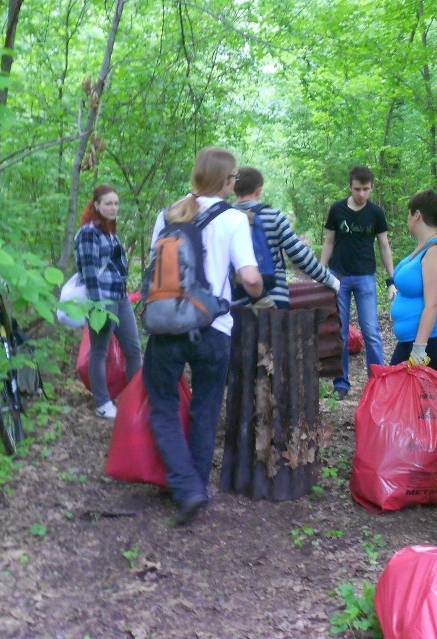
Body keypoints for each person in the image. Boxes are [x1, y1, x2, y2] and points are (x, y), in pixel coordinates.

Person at [143, 147, 263, 526]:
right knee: (206, 408)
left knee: (162, 404)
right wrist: (257, 291)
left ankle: (185, 486)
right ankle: (195, 486)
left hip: (167, 324)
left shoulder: (168, 214)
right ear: (227, 182)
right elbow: (250, 278)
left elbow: (156, 270)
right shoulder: (233, 219)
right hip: (213, 326)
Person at [320, 165, 396, 400]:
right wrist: (322, 273)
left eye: (366, 189)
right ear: (350, 187)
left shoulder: (376, 213)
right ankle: (341, 383)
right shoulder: (337, 210)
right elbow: (329, 241)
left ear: (372, 188)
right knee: (339, 332)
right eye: (357, 189)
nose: (361, 194)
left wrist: (391, 280)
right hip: (339, 276)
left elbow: (384, 246)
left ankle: (377, 383)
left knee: (371, 331)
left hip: (365, 277)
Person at [74, 185, 143, 419]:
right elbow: (90, 271)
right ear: (96, 205)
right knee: (100, 351)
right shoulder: (88, 233)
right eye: (108, 203)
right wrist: (96, 305)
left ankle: (136, 399)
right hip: (102, 299)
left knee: (133, 349)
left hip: (120, 297)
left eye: (116, 203)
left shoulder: (110, 231)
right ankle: (102, 402)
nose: (113, 208)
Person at [231, 166, 339, 309]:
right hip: (274, 299)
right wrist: (330, 280)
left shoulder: (224, 218)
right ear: (258, 189)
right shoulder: (273, 216)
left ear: (234, 188)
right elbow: (299, 254)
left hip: (236, 302)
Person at [389, 189, 437, 376]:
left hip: (435, 339)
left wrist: (419, 349)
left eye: (408, 213)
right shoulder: (425, 245)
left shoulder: (436, 252)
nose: (408, 218)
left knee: (422, 402)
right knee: (402, 397)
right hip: (415, 339)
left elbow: (433, 304)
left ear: (417, 215)